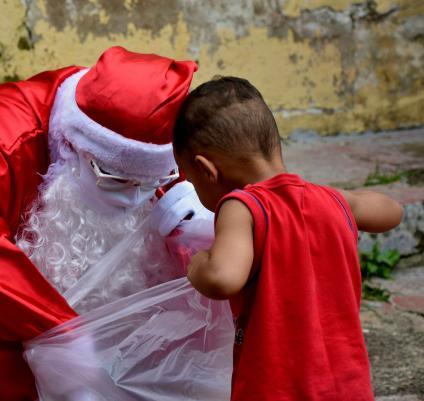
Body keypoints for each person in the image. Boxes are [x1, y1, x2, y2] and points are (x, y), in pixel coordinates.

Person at [0, 47, 216, 401]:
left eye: (152, 182)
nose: (134, 199)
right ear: (75, 145)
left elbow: (184, 207)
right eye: (113, 180)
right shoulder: (5, 130)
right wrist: (64, 338)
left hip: (81, 312)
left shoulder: (145, 129)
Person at [172, 76, 403, 400]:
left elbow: (223, 278)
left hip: (278, 387)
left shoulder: (242, 206)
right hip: (347, 383)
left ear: (207, 170)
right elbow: (392, 211)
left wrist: (198, 263)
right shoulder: (331, 199)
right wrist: (340, 200)